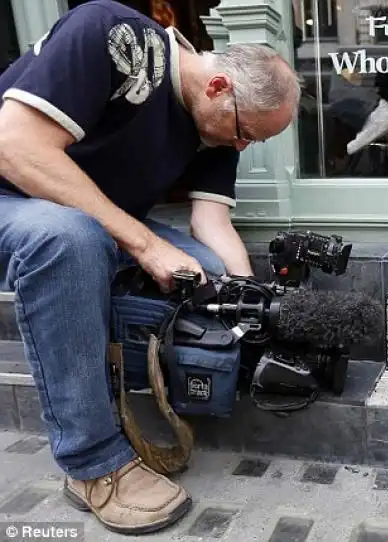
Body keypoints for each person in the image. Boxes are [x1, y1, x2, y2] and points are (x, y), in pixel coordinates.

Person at [0, 0, 299, 535]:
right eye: (244, 134)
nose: (241, 145)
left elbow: (211, 226)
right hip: (14, 196)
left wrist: (253, 306)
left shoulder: (221, 125)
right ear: (218, 86)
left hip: (91, 220)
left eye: (251, 139)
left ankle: (124, 383)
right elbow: (14, 145)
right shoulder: (112, 34)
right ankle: (92, 461)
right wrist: (143, 243)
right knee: (68, 239)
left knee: (204, 272)